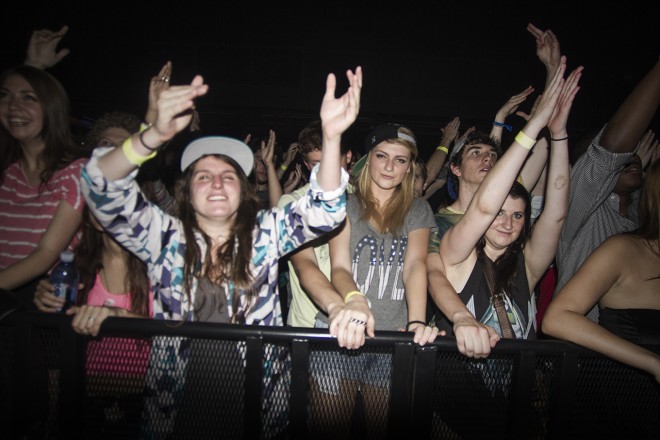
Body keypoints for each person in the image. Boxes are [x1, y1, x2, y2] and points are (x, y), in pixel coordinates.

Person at [555, 58, 660, 322]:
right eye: (625, 159)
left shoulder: (642, 214)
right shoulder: (580, 206)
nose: (630, 159)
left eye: (635, 158)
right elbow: (610, 150)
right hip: (582, 353)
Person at [543, 158, 660, 382]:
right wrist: (652, 362)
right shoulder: (622, 248)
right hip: (614, 395)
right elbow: (556, 319)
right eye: (624, 163)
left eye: (636, 164)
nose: (630, 166)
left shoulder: (630, 218)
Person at [0, 65, 87, 300]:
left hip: (39, 302)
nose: (13, 107)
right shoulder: (7, 172)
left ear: (51, 108)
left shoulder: (75, 172)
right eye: (5, 96)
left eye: (28, 98)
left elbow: (46, 254)